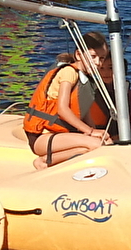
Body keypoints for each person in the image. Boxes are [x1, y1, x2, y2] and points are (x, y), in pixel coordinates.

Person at [23, 32, 114, 169]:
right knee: (97, 145)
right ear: (78, 55)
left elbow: (84, 110)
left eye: (101, 58)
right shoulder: (68, 72)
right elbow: (63, 109)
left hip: (63, 134)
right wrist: (89, 132)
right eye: (93, 57)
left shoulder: (87, 78)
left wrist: (94, 131)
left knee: (106, 142)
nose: (98, 63)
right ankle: (44, 161)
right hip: (43, 136)